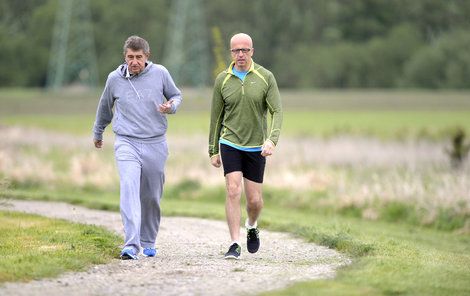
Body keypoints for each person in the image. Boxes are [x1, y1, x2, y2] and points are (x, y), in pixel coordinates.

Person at [93, 35, 182, 260]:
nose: (134, 61)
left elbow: (176, 95)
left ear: (146, 57)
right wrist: (98, 132)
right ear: (125, 57)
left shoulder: (160, 73)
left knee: (151, 195)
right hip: (126, 142)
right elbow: (105, 107)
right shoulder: (114, 79)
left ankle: (148, 240)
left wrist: (171, 106)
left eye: (138, 57)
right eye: (130, 57)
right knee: (129, 188)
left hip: (155, 142)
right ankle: (131, 244)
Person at [208, 33, 283, 259]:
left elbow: (277, 111)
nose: (240, 54)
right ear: (230, 53)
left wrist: (272, 140)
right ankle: (234, 243)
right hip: (229, 141)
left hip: (256, 147)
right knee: (232, 189)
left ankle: (251, 225)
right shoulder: (222, 79)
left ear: (252, 51)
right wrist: (213, 149)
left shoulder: (265, 77)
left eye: (245, 50)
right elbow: (216, 117)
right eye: (236, 50)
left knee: (254, 200)